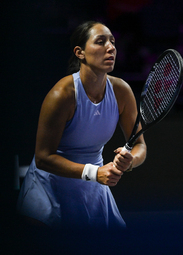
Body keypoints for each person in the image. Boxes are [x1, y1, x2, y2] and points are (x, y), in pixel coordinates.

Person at [16, 21, 147, 230]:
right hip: (51, 187)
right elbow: (43, 158)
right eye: (101, 42)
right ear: (80, 52)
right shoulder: (62, 95)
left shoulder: (122, 91)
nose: (111, 47)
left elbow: (140, 145)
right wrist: (94, 173)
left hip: (94, 186)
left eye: (112, 42)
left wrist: (129, 161)